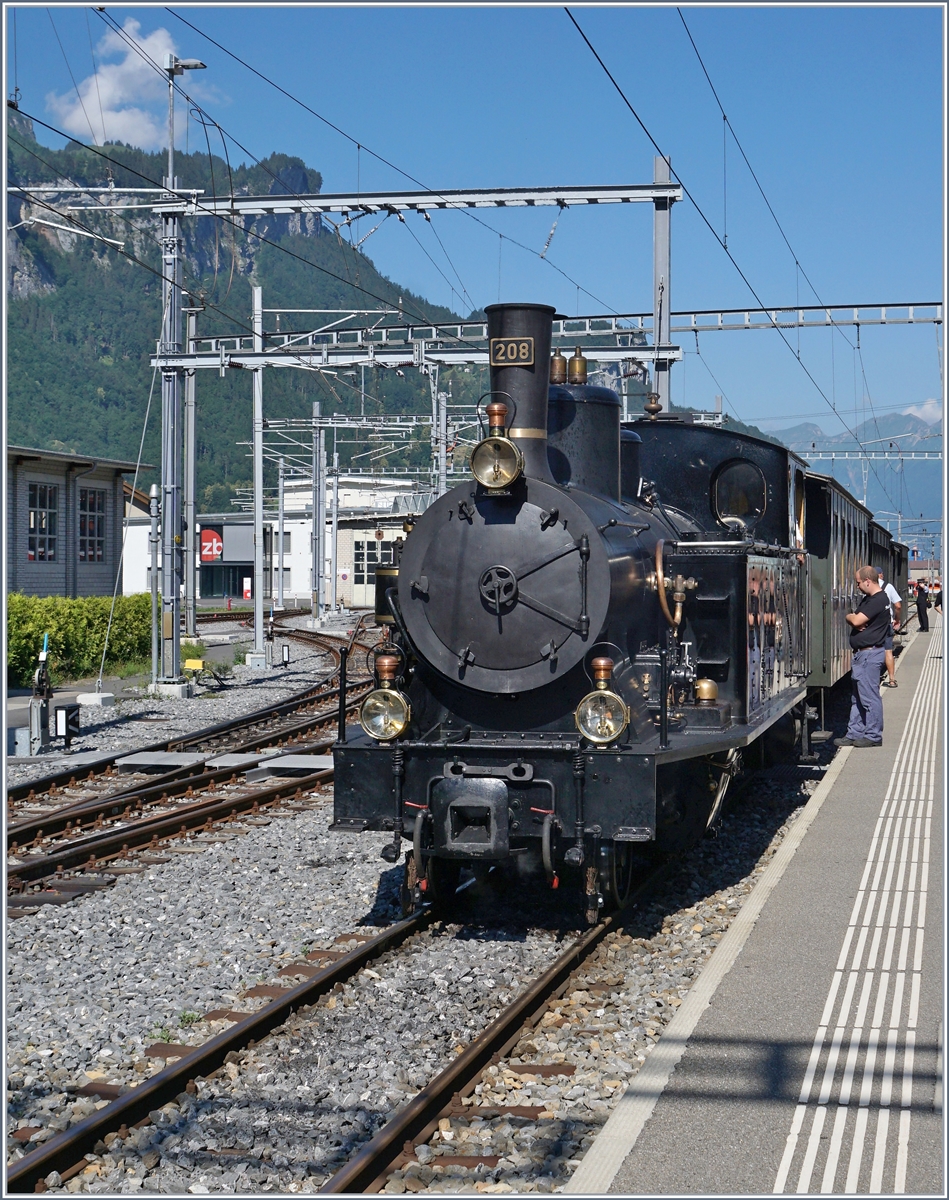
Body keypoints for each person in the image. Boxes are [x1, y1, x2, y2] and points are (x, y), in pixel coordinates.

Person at [835, 566, 890, 748]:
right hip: (863, 655)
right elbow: (855, 617)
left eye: (858, 582)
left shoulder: (878, 600)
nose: (857, 586)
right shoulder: (871, 599)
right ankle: (855, 732)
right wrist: (852, 617)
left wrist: (851, 617)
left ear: (868, 581)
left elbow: (856, 619)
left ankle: (873, 735)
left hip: (869, 654)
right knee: (858, 697)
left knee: (869, 697)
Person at [877, 570, 903, 688]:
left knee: (873, 651)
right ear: (881, 574)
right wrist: (897, 619)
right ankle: (892, 680)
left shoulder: (867, 586)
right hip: (887, 623)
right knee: (888, 651)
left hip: (873, 626)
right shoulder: (888, 586)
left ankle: (874, 679)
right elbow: (898, 605)